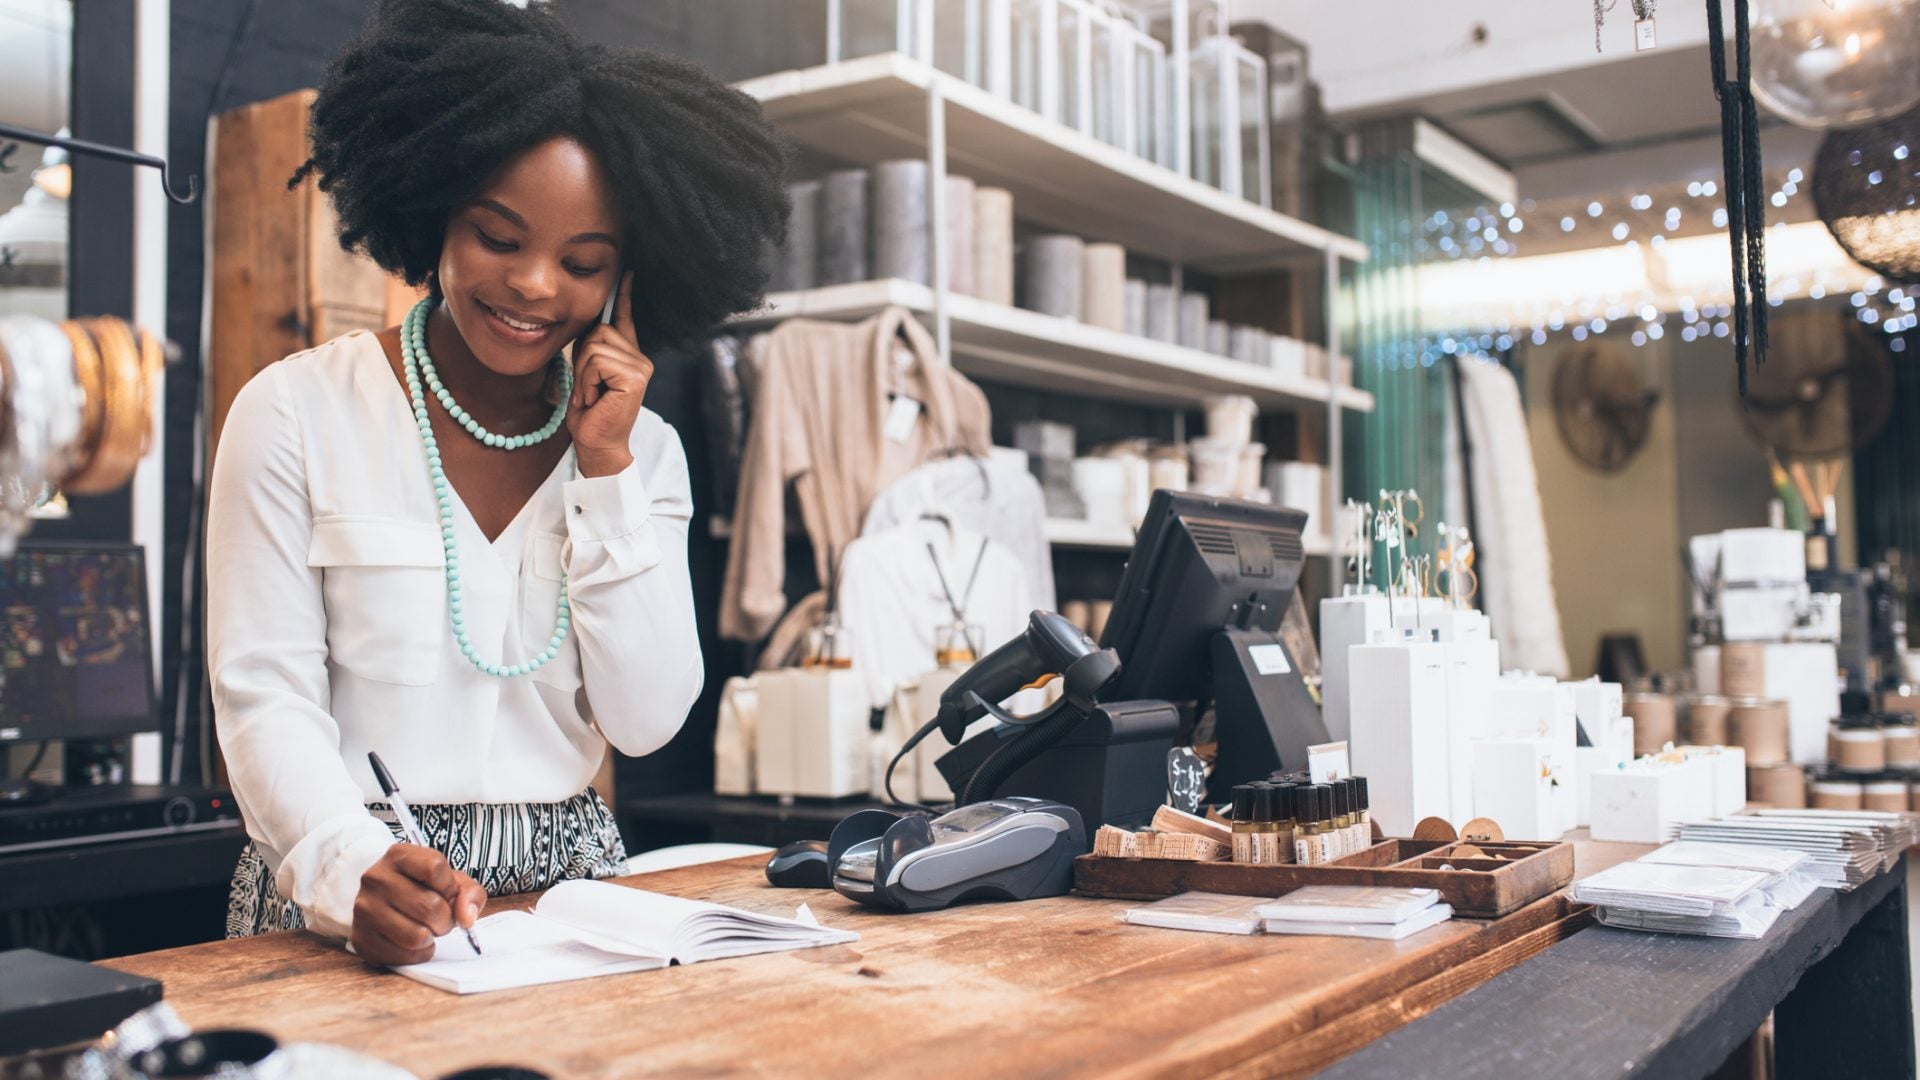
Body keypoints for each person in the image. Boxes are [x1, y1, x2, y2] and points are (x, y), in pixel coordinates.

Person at [206, 0, 788, 965]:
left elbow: (645, 724)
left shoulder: (647, 454)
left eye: (583, 262)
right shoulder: (293, 413)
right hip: (345, 887)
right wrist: (352, 866)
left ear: (626, 282)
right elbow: (264, 699)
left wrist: (605, 468)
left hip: (577, 904)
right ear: (433, 208)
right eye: (498, 236)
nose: (533, 286)